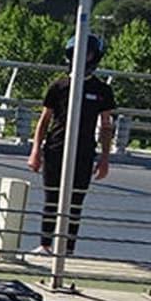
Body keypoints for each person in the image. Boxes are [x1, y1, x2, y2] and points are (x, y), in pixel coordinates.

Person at [27, 35, 115, 256]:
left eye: (87, 53)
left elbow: (106, 125)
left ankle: (68, 247)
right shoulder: (59, 86)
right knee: (52, 197)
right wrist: (35, 149)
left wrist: (105, 157)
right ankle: (46, 243)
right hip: (56, 147)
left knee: (75, 201)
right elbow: (44, 120)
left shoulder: (102, 90)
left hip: (84, 151)